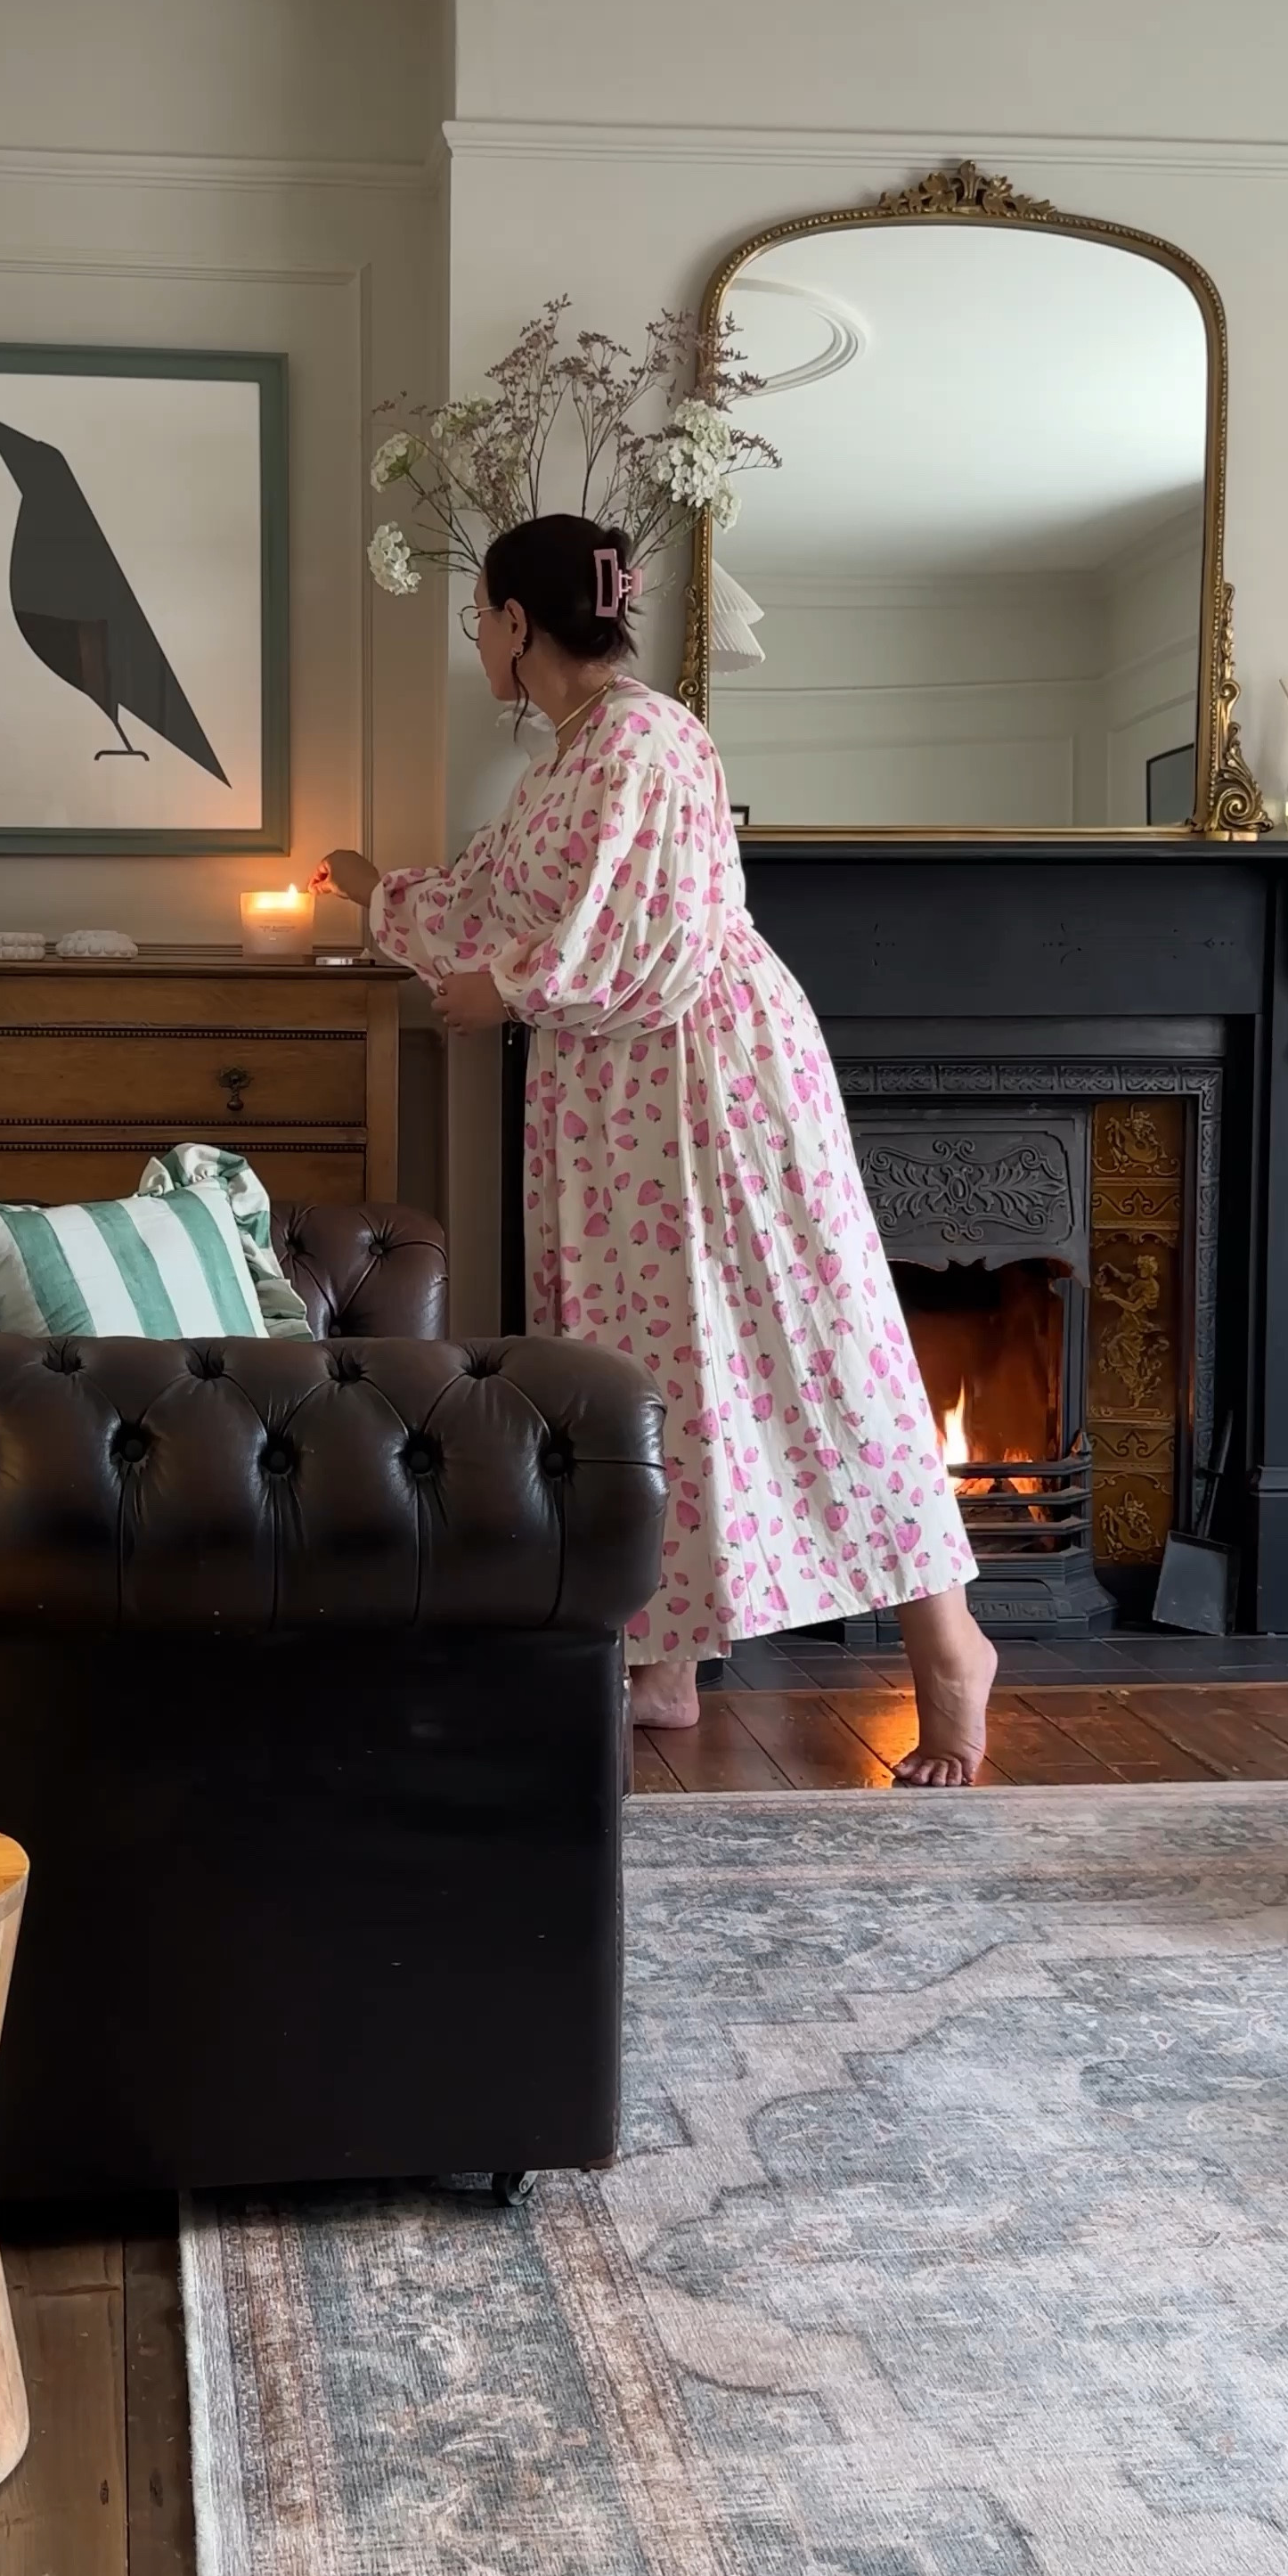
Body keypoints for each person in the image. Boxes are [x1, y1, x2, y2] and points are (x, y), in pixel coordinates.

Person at [324, 511, 996, 1785]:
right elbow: (496, 898)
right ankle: (665, 1657)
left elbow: (648, 941)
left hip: (711, 1095)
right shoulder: (572, 760)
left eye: (480, 616)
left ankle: (951, 1649)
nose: (477, 639)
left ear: (521, 625)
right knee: (640, 1368)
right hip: (617, 1106)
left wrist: (507, 992)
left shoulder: (647, 742)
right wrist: (373, 893)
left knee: (813, 1353)